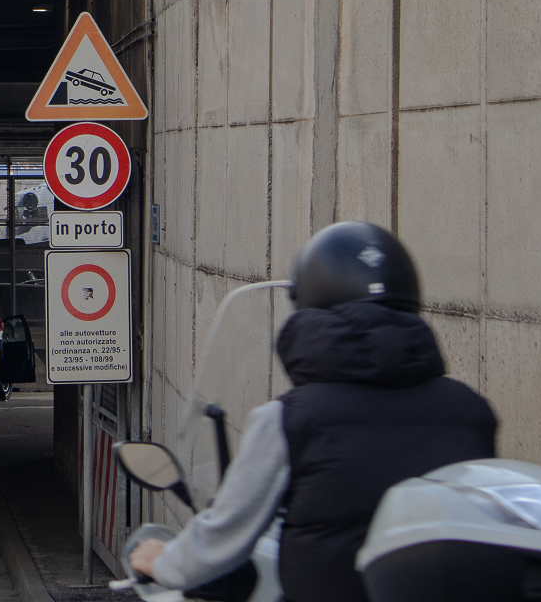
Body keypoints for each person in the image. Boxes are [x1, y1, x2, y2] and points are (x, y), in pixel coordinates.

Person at [127, 222, 496, 602]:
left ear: (307, 304)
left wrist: (164, 561)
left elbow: (225, 535)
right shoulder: (472, 411)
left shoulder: (288, 419)